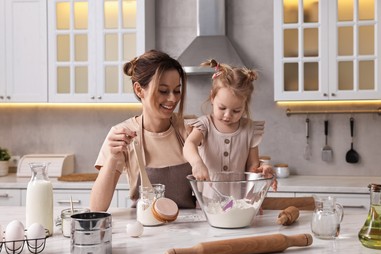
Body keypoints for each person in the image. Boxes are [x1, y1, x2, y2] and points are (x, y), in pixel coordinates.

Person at [90, 50, 196, 212]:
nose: (173, 99)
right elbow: (97, 208)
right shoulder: (122, 134)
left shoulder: (190, 129)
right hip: (145, 227)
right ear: (139, 90)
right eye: (163, 90)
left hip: (190, 228)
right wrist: (112, 157)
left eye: (177, 90)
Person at [183, 59, 277, 190]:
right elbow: (189, 144)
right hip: (207, 201)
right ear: (212, 98)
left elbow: (252, 166)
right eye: (222, 108)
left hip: (239, 201)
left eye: (236, 111)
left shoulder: (249, 129)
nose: (227, 115)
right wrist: (197, 163)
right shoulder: (204, 125)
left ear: (245, 105)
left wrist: (261, 171)